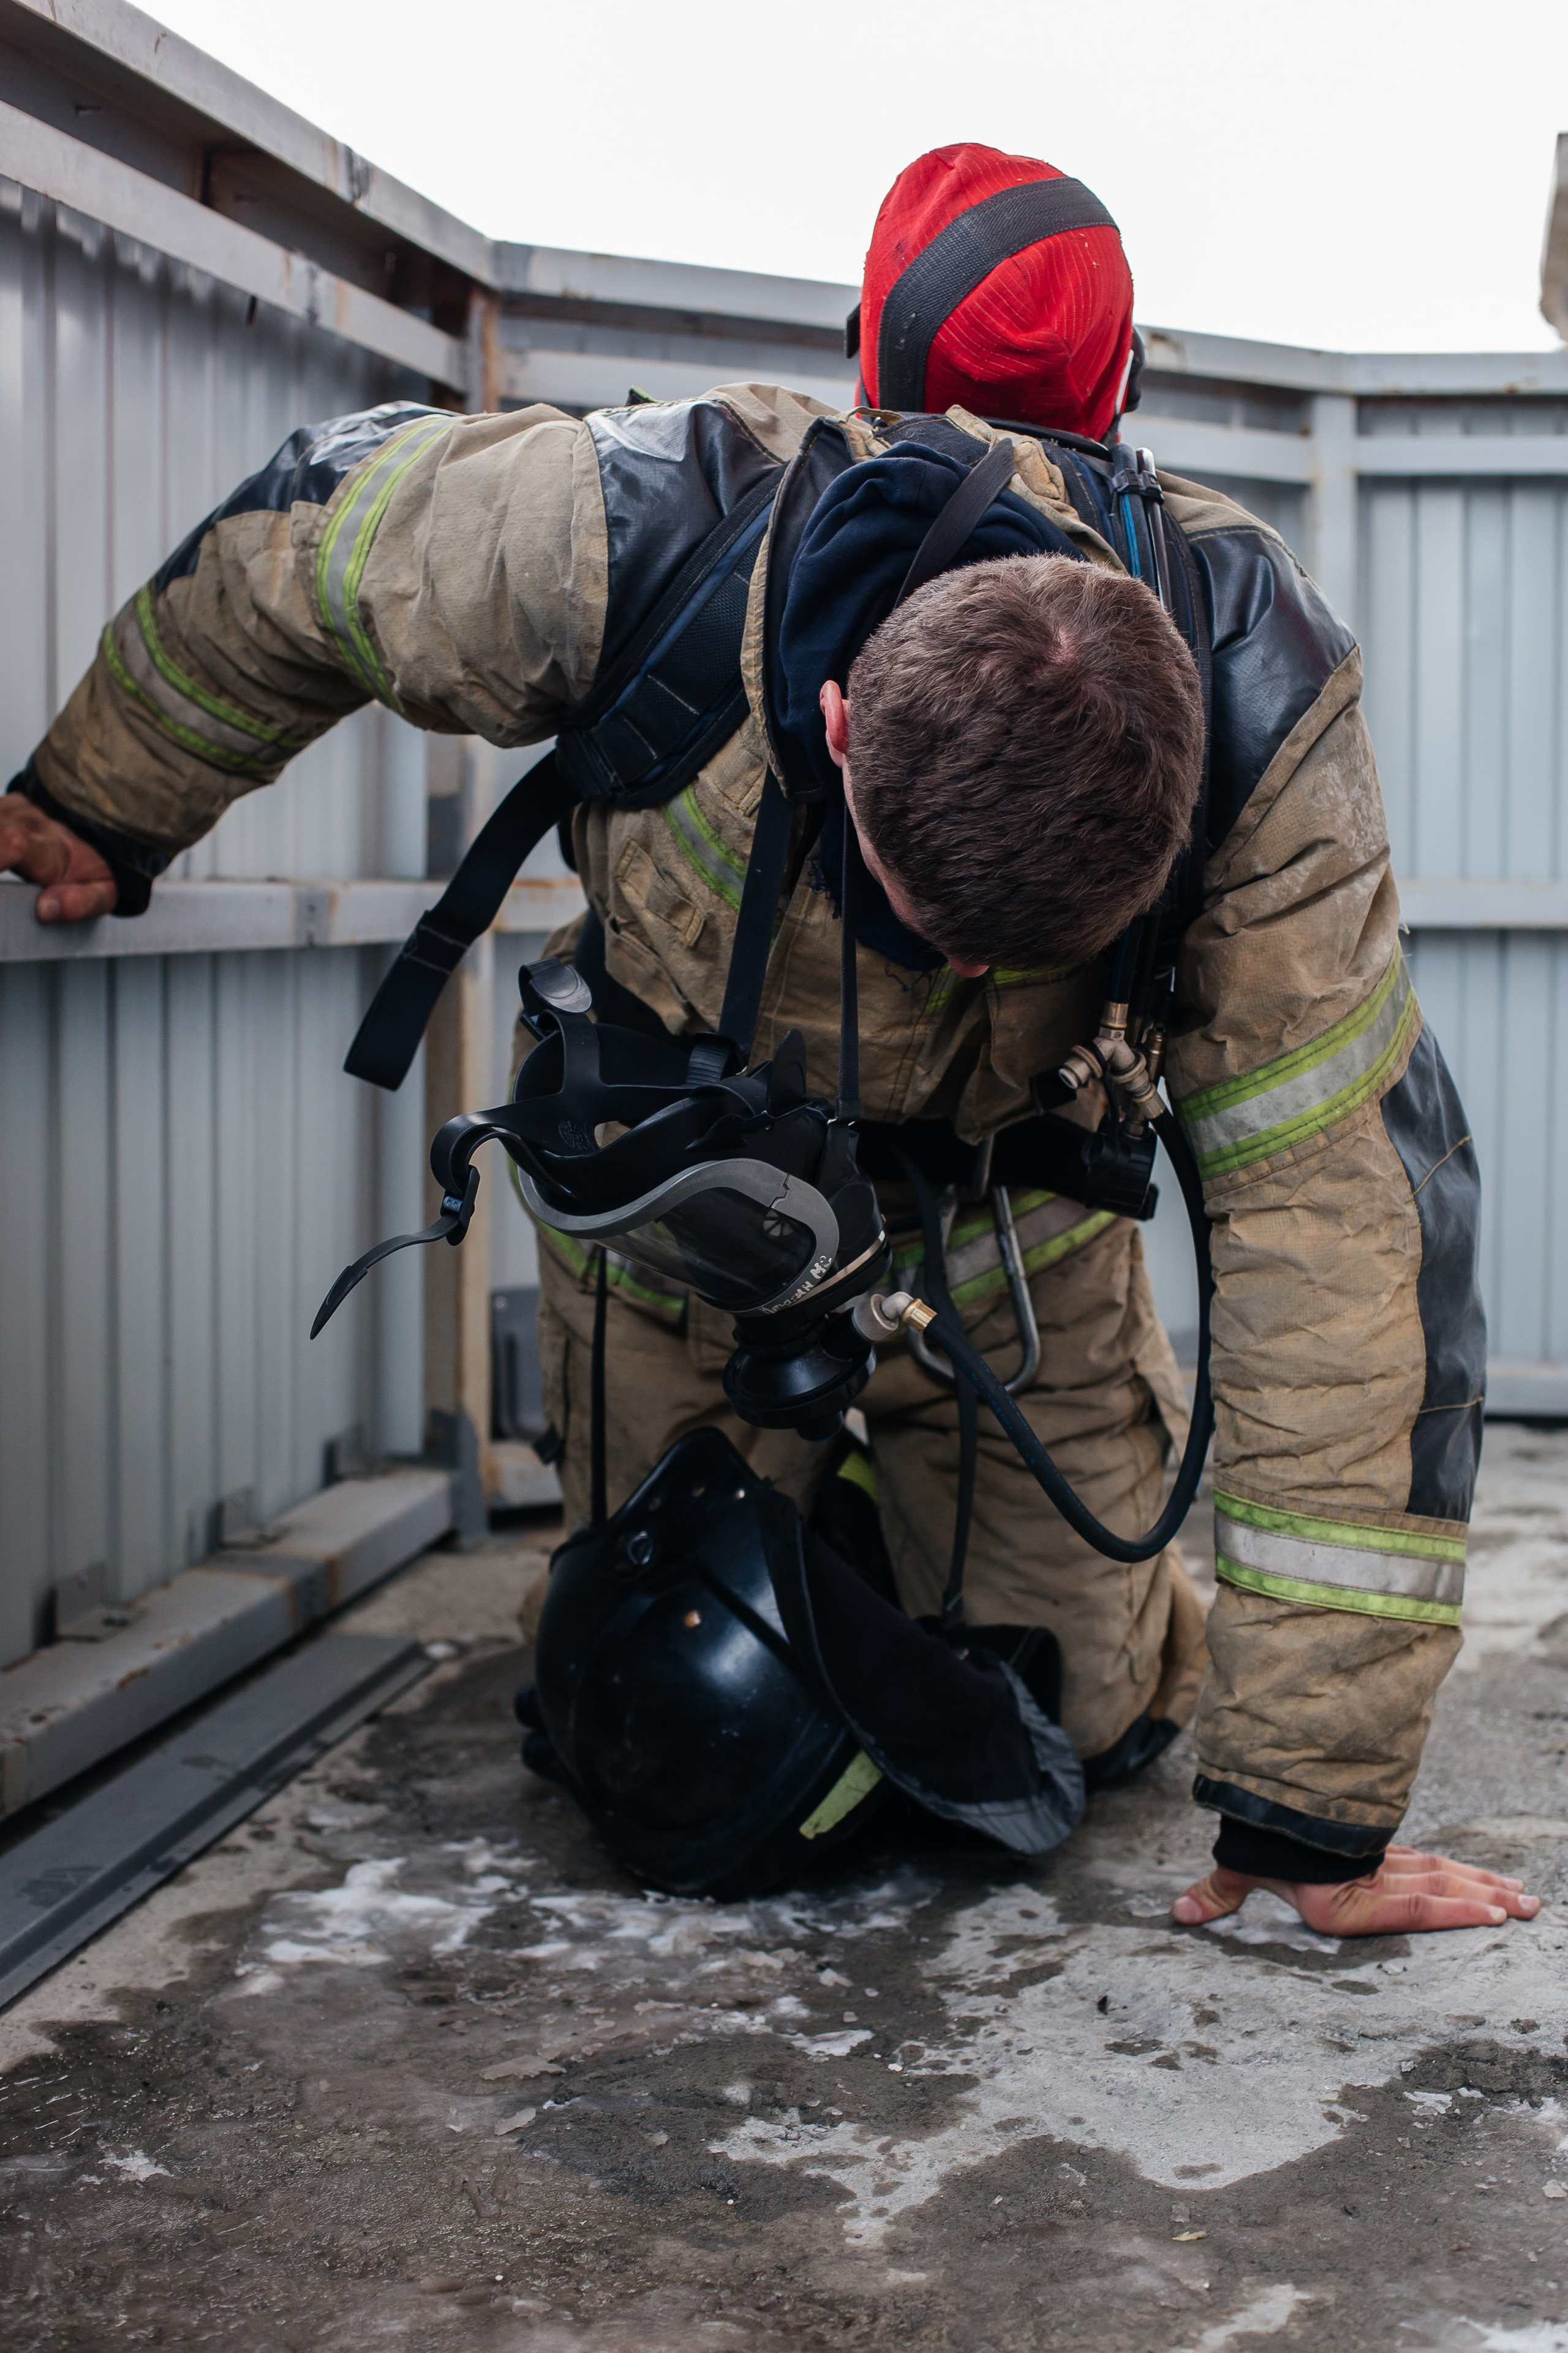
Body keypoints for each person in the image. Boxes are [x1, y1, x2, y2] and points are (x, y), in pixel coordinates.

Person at [1, 143, 1534, 1943]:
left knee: (1091, 1720)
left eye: (1011, 947)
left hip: (1005, 1244)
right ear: (826, 715)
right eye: (917, 913)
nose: (958, 966)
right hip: (683, 1239)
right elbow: (303, 556)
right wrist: (99, 801)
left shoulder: (1260, 694)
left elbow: (1344, 1222)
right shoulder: (622, 524)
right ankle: (809, 1539)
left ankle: (902, 1536)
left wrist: (1308, 1815)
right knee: (643, 1705)